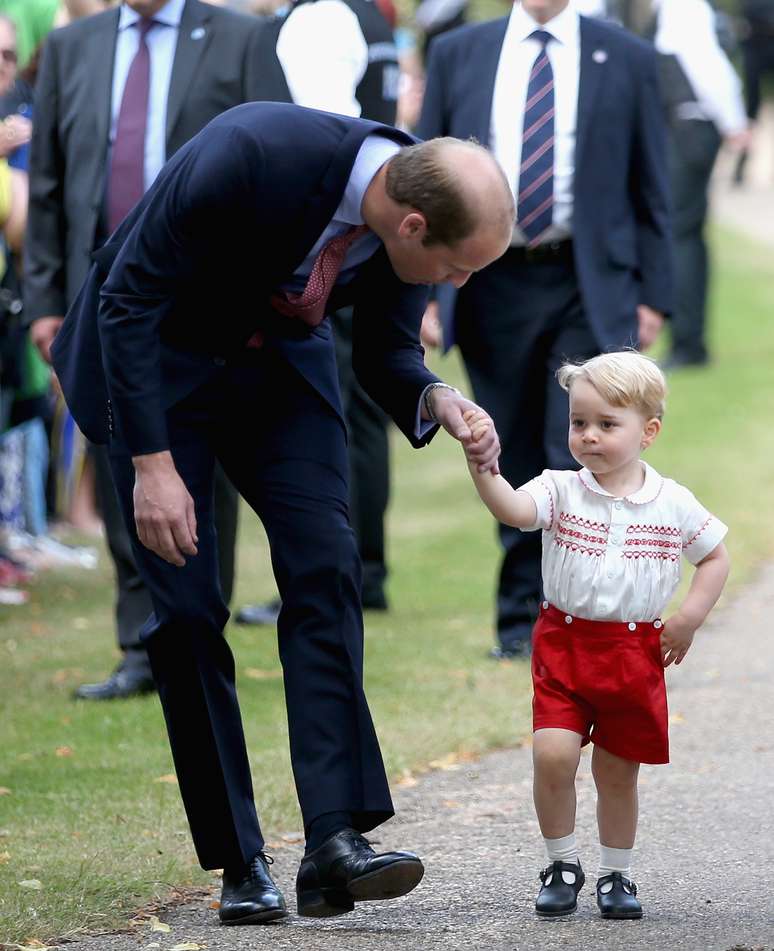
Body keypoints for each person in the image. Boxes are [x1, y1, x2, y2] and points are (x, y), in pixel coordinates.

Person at [51, 102, 515, 924]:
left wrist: (438, 397)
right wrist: (151, 466)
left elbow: (386, 351)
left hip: (278, 375)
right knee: (189, 609)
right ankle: (239, 859)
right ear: (410, 227)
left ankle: (334, 844)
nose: (460, 285)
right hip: (156, 368)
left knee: (327, 566)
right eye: (458, 269)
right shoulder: (251, 152)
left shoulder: (413, 204)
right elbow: (126, 299)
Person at [25, 0, 277, 699]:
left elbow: (268, 169)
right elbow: (46, 186)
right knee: (116, 461)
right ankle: (141, 644)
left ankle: (198, 630)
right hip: (100, 295)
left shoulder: (241, 38)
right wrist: (47, 302)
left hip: (204, 298)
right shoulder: (74, 47)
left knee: (202, 471)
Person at [417, 0, 673, 660]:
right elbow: (425, 184)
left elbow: (653, 182)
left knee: (580, 447)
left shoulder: (627, 57)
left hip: (588, 282)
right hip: (487, 280)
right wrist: (425, 294)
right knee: (507, 446)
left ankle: (578, 614)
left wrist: (656, 295)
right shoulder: (458, 54)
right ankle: (516, 619)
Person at [462, 350, 730, 920]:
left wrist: (687, 618)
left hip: (633, 652)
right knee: (552, 754)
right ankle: (560, 861)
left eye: (607, 425)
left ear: (648, 431)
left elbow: (715, 559)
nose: (588, 436)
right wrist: (483, 468)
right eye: (578, 423)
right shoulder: (559, 489)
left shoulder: (672, 503)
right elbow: (513, 510)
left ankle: (617, 874)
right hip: (565, 644)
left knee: (616, 769)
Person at [235, 0, 400, 626]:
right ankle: (366, 568)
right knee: (357, 411)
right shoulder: (371, 17)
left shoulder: (320, 17)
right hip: (367, 235)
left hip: (332, 243)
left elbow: (328, 133)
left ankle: (338, 569)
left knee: (327, 410)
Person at [649, 0, 750, 370]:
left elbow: (708, 66)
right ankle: (689, 340)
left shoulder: (683, 7)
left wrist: (734, 121)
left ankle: (688, 343)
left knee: (681, 234)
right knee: (686, 233)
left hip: (689, 130)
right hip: (687, 130)